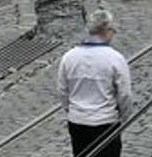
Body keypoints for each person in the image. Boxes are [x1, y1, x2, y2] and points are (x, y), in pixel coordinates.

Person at [54, 8, 136, 157]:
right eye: (113, 30)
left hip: (77, 122)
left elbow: (62, 91)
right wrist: (123, 118)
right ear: (107, 30)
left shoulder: (69, 57)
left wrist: (72, 111)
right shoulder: (115, 59)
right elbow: (125, 95)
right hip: (105, 122)